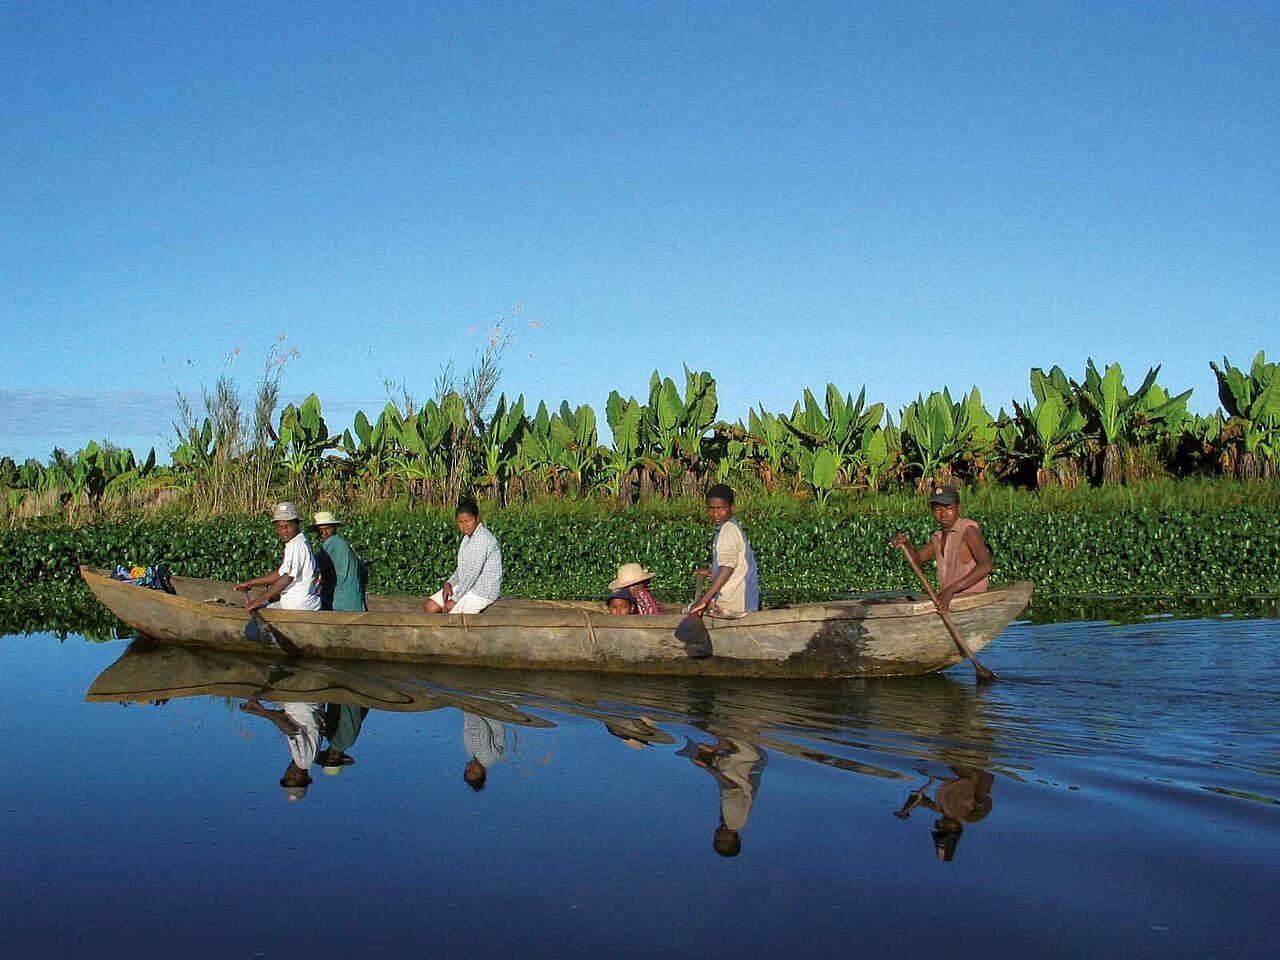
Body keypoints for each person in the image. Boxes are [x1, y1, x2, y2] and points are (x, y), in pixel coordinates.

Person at [890, 483, 992, 611]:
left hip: (971, 599)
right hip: (951, 597)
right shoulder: (938, 538)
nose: (943, 514)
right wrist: (904, 544)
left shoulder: (967, 530)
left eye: (948, 507)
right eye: (938, 509)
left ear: (958, 508)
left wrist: (950, 590)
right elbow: (917, 559)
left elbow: (985, 565)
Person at [893, 765, 995, 862]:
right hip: (970, 769)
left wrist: (905, 810)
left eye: (939, 829)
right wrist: (978, 773)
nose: (940, 826)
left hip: (953, 770)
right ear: (955, 828)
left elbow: (917, 797)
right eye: (944, 829)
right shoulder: (970, 817)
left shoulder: (940, 808)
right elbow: (984, 805)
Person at [234, 501, 322, 612]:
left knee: (253, 623)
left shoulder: (296, 545)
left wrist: (257, 601)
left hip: (297, 605)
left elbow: (286, 579)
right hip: (302, 603)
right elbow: (280, 574)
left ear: (297, 524)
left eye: (288, 526)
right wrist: (251, 583)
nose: (284, 531)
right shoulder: (297, 542)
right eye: (280, 527)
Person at [424, 497, 504, 614]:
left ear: (477, 518)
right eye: (461, 522)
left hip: (482, 591)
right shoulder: (467, 538)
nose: (464, 526)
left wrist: (455, 600)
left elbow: (472, 573)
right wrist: (449, 583)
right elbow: (462, 569)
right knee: (430, 606)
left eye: (468, 521)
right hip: (467, 586)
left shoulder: (482, 538)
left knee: (447, 612)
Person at [689, 484, 759, 616]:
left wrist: (704, 600)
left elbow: (727, 568)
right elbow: (733, 564)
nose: (715, 514)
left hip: (733, 605)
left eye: (720, 508)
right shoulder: (730, 527)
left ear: (732, 508)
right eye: (711, 509)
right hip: (739, 602)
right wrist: (712, 572)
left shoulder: (728, 530)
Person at [239, 697, 324, 802]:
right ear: (307, 779)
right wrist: (263, 712)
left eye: (287, 778)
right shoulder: (303, 761)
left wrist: (257, 711)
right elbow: (291, 730)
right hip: (300, 702)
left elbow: (284, 718)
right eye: (296, 779)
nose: (291, 775)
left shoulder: (308, 759)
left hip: (303, 704)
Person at [311, 510, 367, 612]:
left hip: (341, 604)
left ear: (334, 528)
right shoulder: (344, 545)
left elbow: (313, 569)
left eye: (327, 529)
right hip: (355, 602)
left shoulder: (333, 543)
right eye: (320, 530)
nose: (324, 533)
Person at [461, 710, 506, 791]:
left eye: (468, 770)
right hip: (488, 715)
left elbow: (468, 729)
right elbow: (480, 728)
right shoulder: (485, 757)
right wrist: (467, 709)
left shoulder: (472, 753)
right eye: (475, 772)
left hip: (482, 715)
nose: (472, 768)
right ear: (484, 772)